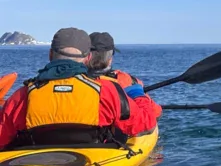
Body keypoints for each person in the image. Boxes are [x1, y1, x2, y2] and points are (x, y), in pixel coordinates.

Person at [0, 27, 161, 150]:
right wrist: (138, 95)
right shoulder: (107, 91)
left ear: (50, 55)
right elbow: (145, 123)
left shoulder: (21, 96)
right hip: (93, 162)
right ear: (87, 58)